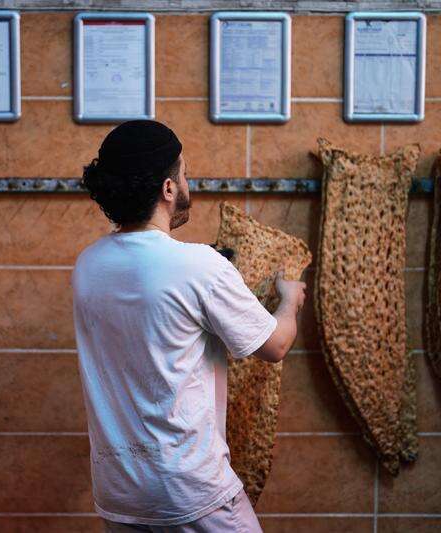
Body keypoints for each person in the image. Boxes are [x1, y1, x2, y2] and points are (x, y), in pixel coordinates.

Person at [71, 120, 306, 532]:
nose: (187, 183)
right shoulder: (198, 265)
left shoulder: (89, 264)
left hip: (120, 493)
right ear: (168, 188)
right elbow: (276, 346)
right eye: (184, 174)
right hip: (188, 489)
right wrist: (290, 300)